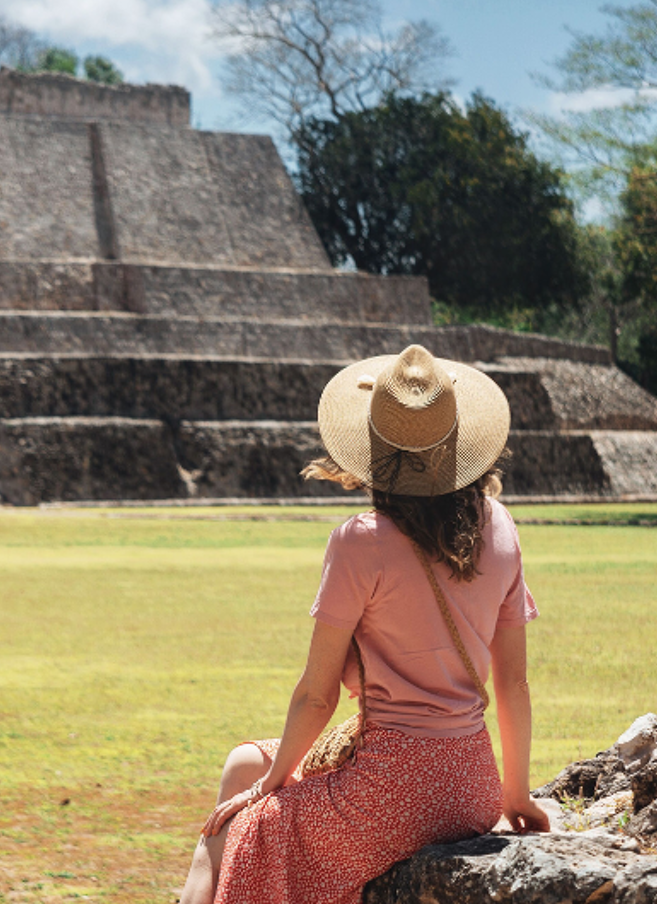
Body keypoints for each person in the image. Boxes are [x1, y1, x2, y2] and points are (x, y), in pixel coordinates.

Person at [178, 344, 552, 904]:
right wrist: (515, 795)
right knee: (242, 763)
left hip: (388, 793)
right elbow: (513, 683)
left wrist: (271, 787)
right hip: (471, 785)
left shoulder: (361, 541)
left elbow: (317, 695)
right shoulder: (499, 526)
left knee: (241, 828)